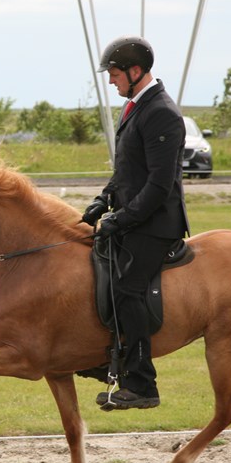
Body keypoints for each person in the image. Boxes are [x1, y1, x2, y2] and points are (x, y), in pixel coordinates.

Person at [81, 36, 189, 410]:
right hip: (133, 217)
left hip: (156, 223)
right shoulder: (134, 107)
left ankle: (142, 383)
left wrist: (122, 218)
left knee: (127, 288)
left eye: (114, 74)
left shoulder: (161, 112)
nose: (111, 81)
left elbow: (159, 185)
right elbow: (126, 171)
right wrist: (103, 200)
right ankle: (105, 358)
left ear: (135, 71)